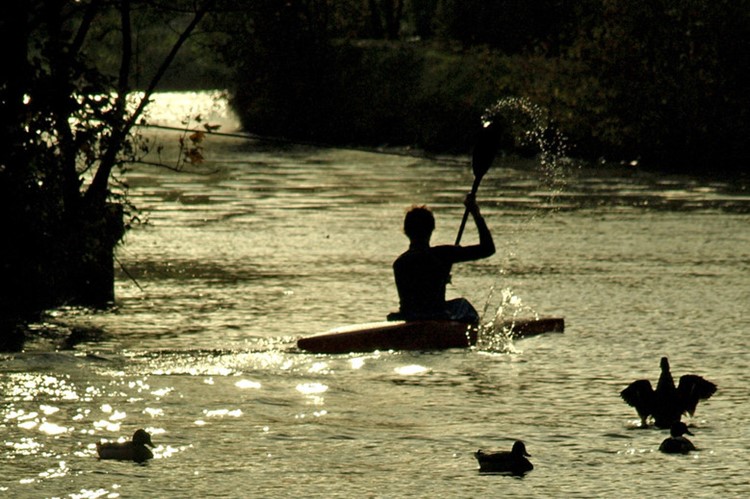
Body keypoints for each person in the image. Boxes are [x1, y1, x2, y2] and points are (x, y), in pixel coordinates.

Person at [389, 193, 495, 323]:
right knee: (462, 304)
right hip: (436, 316)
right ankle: (474, 333)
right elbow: (488, 249)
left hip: (410, 317)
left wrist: (439, 277)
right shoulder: (443, 254)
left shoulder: (399, 263)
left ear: (405, 231)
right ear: (432, 229)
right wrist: (475, 213)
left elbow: (416, 294)